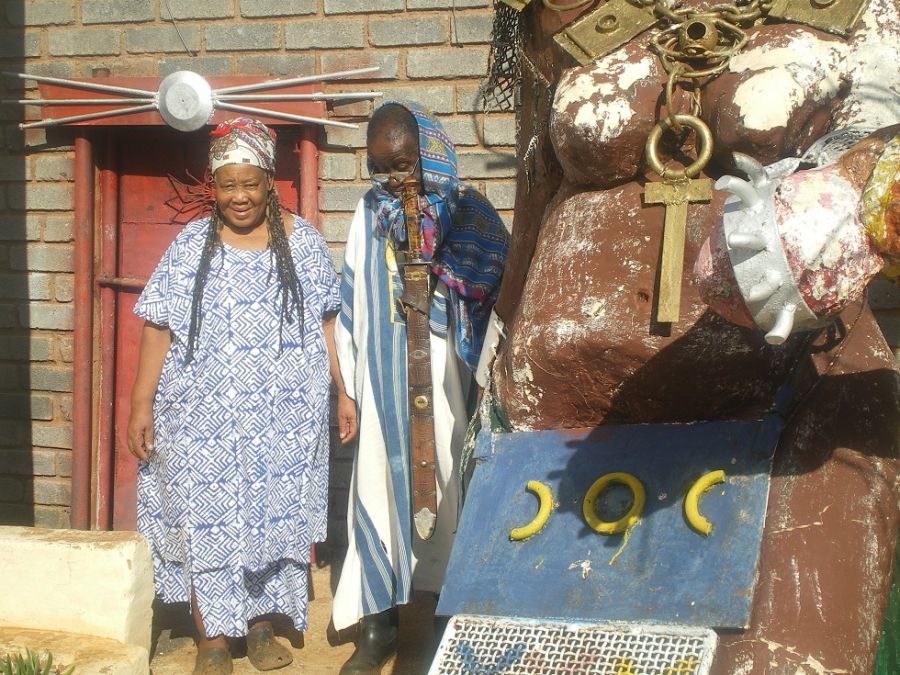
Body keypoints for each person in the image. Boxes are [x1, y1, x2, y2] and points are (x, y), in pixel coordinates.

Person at [482, 2, 898, 673]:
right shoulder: (562, 13)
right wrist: (496, 351)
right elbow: (535, 190)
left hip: (791, 406)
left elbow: (886, 166)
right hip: (557, 418)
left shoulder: (862, 14)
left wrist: (860, 186)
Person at [126, 117, 357, 675]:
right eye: (227, 185)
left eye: (250, 183)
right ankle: (211, 640)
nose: (239, 196)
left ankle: (259, 627)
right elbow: (158, 325)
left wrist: (342, 392)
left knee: (271, 514)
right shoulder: (191, 246)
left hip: (284, 416)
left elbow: (328, 322)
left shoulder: (302, 243)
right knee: (205, 517)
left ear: (269, 180)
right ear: (215, 185)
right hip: (201, 419)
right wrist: (140, 404)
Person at [331, 101, 509, 674]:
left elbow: (496, 285)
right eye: (380, 168)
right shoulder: (369, 212)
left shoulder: (465, 211)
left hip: (446, 381)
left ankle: (435, 626)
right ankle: (378, 628)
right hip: (382, 383)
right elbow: (351, 302)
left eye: (403, 165)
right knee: (379, 490)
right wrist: (348, 389)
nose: (393, 180)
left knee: (447, 491)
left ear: (428, 156)